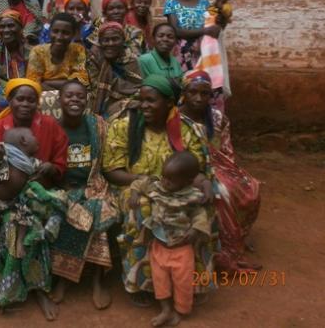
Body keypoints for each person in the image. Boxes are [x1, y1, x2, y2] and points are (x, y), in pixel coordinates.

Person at [101, 74, 216, 307]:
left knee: (202, 207)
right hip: (133, 186)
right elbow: (113, 170)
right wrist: (148, 182)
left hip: (177, 188)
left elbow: (193, 170)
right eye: (141, 99)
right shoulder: (124, 126)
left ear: (169, 103)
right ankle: (141, 282)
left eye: (151, 100)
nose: (144, 105)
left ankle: (190, 280)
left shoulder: (186, 130)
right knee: (143, 208)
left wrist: (204, 183)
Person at [0, 78, 68, 320]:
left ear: (38, 103)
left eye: (31, 100)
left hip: (39, 194)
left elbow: (61, 162)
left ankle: (39, 290)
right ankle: (5, 289)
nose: (26, 104)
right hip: (8, 197)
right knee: (13, 227)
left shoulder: (49, 126)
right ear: (10, 101)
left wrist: (51, 168)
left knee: (36, 227)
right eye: (20, 99)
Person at [180, 70, 261, 273]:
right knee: (221, 192)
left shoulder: (217, 118)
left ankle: (237, 238)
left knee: (250, 187)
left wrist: (229, 172)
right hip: (186, 168)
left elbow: (226, 151)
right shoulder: (175, 118)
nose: (198, 98)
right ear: (184, 93)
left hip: (218, 165)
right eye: (193, 92)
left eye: (204, 93)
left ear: (210, 96)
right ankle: (226, 252)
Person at [48, 81, 119, 310]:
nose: (75, 100)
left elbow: (108, 163)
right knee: (67, 212)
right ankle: (64, 278)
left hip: (95, 184)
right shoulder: (52, 128)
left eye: (80, 96)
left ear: (87, 100)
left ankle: (98, 280)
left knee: (98, 211)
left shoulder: (97, 125)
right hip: (64, 188)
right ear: (59, 100)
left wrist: (93, 190)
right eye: (69, 96)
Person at [129, 151, 211, 327]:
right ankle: (165, 310)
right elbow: (139, 183)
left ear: (187, 182)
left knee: (183, 283)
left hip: (181, 249)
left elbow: (199, 214)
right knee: (160, 281)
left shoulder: (191, 197)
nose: (165, 182)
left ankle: (180, 311)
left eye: (171, 180)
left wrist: (196, 230)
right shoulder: (157, 186)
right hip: (159, 246)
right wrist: (134, 194)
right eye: (164, 176)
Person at [27, 13, 89, 119]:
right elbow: (33, 84)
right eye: (55, 31)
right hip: (45, 97)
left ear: (73, 34)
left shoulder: (78, 50)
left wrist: (46, 82)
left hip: (71, 97)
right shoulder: (38, 51)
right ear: (49, 31)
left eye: (65, 33)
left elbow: (80, 81)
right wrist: (67, 83)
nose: (59, 37)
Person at [163, 0, 218, 71]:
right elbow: (176, 31)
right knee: (182, 78)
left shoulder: (204, 2)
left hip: (202, 49)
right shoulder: (171, 3)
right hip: (180, 52)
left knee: (202, 77)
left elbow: (210, 24)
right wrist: (204, 31)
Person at [88, 21, 143, 120]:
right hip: (98, 103)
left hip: (126, 104)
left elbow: (137, 89)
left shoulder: (132, 60)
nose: (111, 44)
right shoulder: (95, 59)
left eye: (115, 39)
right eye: (106, 40)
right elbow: (94, 87)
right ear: (100, 42)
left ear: (123, 40)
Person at [0, 9, 31, 118]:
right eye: (2, 27)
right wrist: (9, 92)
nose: (6, 30)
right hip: (0, 92)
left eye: (11, 26)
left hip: (27, 91)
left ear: (21, 28)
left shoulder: (31, 51)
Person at [196, 0, 235, 111]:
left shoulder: (226, 7)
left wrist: (219, 7)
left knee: (213, 61)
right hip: (206, 35)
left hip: (213, 38)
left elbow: (225, 15)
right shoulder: (211, 5)